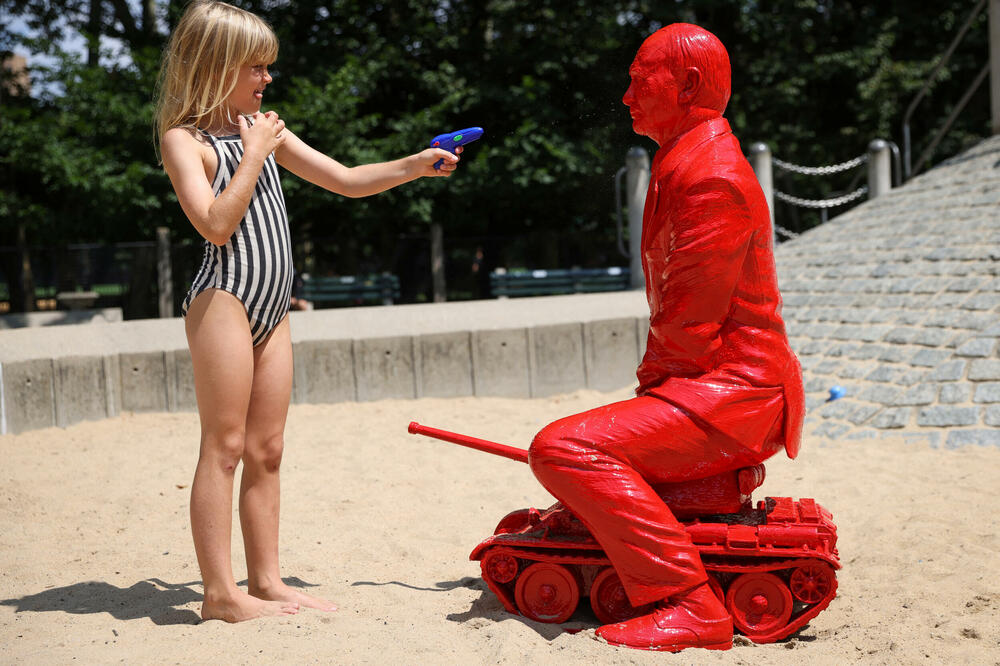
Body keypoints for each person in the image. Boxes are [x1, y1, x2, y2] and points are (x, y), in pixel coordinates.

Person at [154, 0, 462, 622]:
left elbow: (346, 180)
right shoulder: (185, 142)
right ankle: (220, 595)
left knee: (268, 449)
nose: (267, 79)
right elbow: (215, 226)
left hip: (273, 308)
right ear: (215, 65)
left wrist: (415, 164)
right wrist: (255, 153)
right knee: (226, 445)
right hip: (225, 300)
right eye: (255, 67)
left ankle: (264, 581)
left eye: (268, 67)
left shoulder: (263, 128)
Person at [528, 24, 804, 652]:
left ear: (685, 84)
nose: (626, 95)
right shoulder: (686, 159)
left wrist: (651, 397)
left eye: (636, 78)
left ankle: (689, 603)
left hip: (737, 392)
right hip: (717, 384)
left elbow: (689, 320)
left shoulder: (712, 176)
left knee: (564, 449)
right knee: (587, 443)